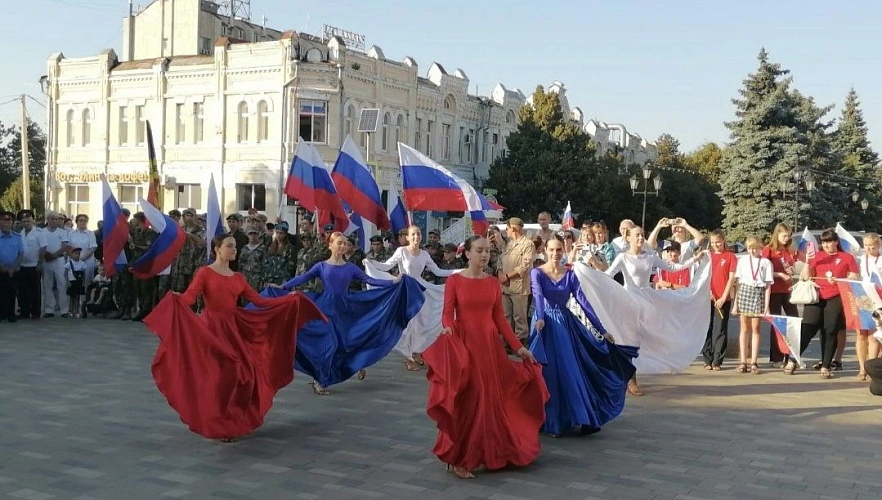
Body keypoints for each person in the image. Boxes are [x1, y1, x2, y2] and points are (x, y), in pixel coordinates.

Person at [144, 234, 325, 441]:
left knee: (244, 374)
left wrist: (288, 300)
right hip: (211, 330)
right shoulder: (205, 272)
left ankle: (232, 418)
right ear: (217, 249)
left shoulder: (238, 277)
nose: (234, 250)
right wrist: (177, 299)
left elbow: (260, 302)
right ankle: (219, 420)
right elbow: (190, 297)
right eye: (229, 246)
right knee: (222, 375)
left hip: (233, 328)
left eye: (235, 246)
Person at [421, 235, 548, 479]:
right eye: (479, 250)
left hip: (490, 348)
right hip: (465, 345)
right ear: (467, 253)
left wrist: (518, 348)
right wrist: (448, 328)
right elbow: (447, 313)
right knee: (471, 399)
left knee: (489, 399)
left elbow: (499, 319)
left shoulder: (492, 283)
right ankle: (459, 457)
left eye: (488, 251)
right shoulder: (455, 281)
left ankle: (491, 451)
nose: (485, 255)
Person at [267, 232, 425, 395]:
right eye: (339, 243)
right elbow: (303, 278)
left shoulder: (350, 268)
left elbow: (370, 280)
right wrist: (282, 287)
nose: (343, 246)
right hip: (324, 308)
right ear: (330, 245)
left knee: (346, 341)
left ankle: (355, 363)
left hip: (344, 309)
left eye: (345, 243)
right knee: (328, 344)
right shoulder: (321, 266)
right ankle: (320, 379)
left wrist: (394, 281)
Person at [574, 225, 708, 396]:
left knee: (648, 336)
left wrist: (695, 259)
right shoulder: (623, 257)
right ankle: (631, 379)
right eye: (637, 235)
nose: (640, 238)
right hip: (628, 301)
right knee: (630, 338)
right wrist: (587, 271)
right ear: (628, 238)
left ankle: (659, 361)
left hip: (646, 300)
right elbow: (608, 275)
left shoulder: (650, 256)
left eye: (642, 235)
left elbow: (672, 268)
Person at [529, 235, 637, 437]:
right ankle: (551, 421)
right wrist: (541, 318)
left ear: (564, 250)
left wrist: (602, 329)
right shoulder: (537, 273)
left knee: (570, 371)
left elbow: (583, 302)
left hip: (565, 325)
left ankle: (575, 416)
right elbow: (538, 296)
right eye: (551, 250)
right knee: (548, 373)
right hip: (544, 326)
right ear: (545, 251)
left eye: (558, 249)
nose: (555, 253)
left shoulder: (570, 275)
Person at [365, 225, 455, 370]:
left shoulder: (424, 254)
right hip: (405, 289)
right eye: (413, 234)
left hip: (420, 289)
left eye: (418, 234)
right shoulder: (401, 251)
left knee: (421, 322)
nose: (416, 237)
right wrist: (370, 262)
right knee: (409, 323)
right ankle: (408, 357)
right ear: (407, 237)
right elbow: (386, 266)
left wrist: (460, 271)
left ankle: (416, 351)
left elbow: (438, 272)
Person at [799, 229, 859, 379]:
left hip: (836, 296)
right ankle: (793, 359)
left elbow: (854, 276)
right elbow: (806, 277)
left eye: (829, 241)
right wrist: (807, 262)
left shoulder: (846, 257)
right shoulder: (817, 256)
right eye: (824, 242)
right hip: (816, 296)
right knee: (807, 327)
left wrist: (840, 281)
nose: (826, 245)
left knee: (830, 330)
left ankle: (826, 365)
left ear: (836, 241)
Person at [731, 236, 773, 375]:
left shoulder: (766, 262)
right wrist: (735, 304)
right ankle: (743, 361)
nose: (752, 251)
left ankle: (754, 362)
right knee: (744, 328)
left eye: (755, 248)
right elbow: (738, 284)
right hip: (744, 293)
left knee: (756, 328)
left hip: (758, 293)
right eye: (750, 248)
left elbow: (768, 286)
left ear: (761, 248)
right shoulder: (742, 261)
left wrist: (766, 306)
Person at [761, 223, 799, 368]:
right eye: (784, 236)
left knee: (794, 320)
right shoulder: (768, 250)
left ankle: (792, 356)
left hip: (788, 290)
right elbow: (763, 270)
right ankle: (776, 358)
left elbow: (793, 266)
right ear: (777, 235)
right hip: (774, 290)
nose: (786, 238)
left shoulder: (789, 249)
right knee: (776, 323)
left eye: (788, 236)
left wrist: (791, 271)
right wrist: (780, 275)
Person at [702, 230, 737, 371]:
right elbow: (703, 276)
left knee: (720, 329)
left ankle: (717, 360)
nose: (715, 245)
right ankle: (707, 359)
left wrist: (723, 297)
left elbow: (731, 279)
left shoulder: (730, 256)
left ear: (723, 241)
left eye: (718, 242)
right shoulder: (708, 256)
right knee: (707, 327)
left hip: (723, 299)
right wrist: (709, 292)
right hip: (708, 297)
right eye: (713, 242)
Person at [499, 217, 535, 344]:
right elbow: (500, 261)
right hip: (505, 287)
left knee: (519, 317)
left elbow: (525, 266)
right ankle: (507, 342)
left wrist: (507, 276)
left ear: (513, 228)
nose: (506, 231)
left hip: (519, 287)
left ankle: (520, 343)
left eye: (507, 228)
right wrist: (500, 274)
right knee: (505, 316)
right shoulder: (508, 244)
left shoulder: (528, 244)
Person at [856, 233, 882, 381]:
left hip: (878, 299)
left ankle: (871, 367)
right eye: (866, 246)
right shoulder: (860, 259)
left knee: (873, 335)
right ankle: (862, 367)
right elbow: (853, 276)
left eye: (872, 246)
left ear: (878, 246)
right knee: (861, 334)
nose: (869, 249)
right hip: (862, 298)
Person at [14, 210, 44, 320]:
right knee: (22, 291)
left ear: (33, 220)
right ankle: (24, 312)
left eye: (28, 221)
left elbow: (43, 248)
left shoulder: (40, 233)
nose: (26, 223)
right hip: (22, 265)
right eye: (24, 221)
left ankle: (35, 312)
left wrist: (40, 263)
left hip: (34, 265)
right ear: (21, 222)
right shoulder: (19, 234)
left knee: (35, 290)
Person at [41, 211, 71, 318]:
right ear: (47, 219)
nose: (55, 221)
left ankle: (64, 310)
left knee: (62, 284)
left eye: (56, 219)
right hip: (46, 260)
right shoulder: (42, 232)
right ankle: (49, 310)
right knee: (47, 284)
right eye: (52, 219)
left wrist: (55, 255)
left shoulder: (62, 232)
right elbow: (40, 246)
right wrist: (47, 255)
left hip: (59, 260)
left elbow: (65, 246)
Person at [0, 210, 23, 322]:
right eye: (4, 220)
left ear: (12, 223)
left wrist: (13, 268)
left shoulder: (17, 237)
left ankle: (11, 313)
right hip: (0, 269)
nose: (6, 223)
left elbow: (21, 253)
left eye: (9, 221)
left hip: (13, 270)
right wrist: (1, 267)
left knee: (12, 292)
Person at [66, 247, 87, 318]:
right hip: (72, 282)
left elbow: (84, 274)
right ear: (71, 254)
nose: (77, 255)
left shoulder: (82, 263)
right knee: (72, 297)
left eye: (79, 254)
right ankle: (71, 311)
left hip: (79, 282)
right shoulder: (69, 263)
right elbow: (65, 274)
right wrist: (68, 282)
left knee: (78, 297)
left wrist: (83, 282)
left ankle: (77, 311)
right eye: (75, 253)